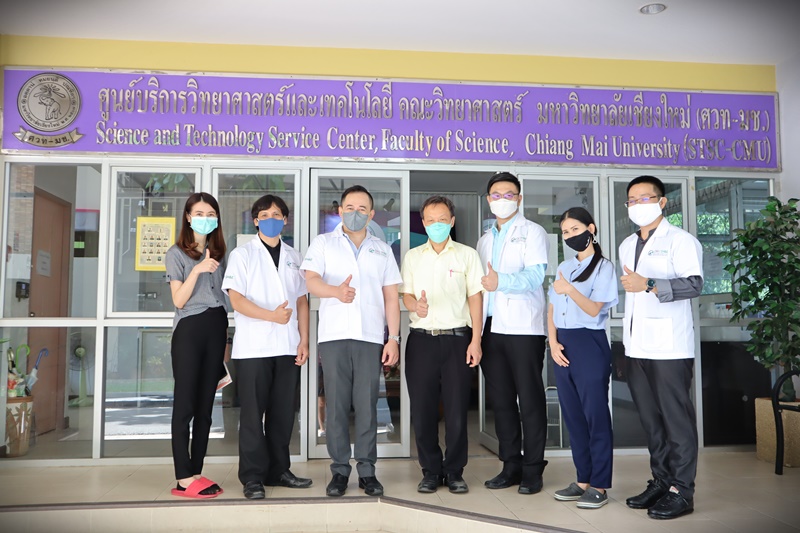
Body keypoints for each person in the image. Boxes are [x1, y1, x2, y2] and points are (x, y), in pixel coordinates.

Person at [301, 185, 401, 498]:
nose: (355, 213)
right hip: (333, 336)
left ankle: (368, 471)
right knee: (337, 405)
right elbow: (311, 280)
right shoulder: (323, 243)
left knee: (367, 405)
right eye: (349, 207)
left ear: (371, 215)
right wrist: (335, 292)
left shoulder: (382, 249)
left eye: (361, 209)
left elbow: (391, 296)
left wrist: (393, 338)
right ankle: (340, 471)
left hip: (370, 337)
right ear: (340, 210)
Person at [619, 175, 703, 520]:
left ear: (662, 202)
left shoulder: (680, 240)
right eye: (632, 200)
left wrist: (650, 283)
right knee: (651, 422)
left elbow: (694, 285)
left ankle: (682, 491)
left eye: (644, 198)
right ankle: (661, 481)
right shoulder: (627, 245)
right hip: (637, 346)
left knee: (676, 422)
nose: (637, 205)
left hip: (670, 347)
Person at [222, 194, 311, 500]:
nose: (271, 219)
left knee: (282, 414)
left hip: (287, 346)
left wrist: (304, 339)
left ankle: (278, 471)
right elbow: (236, 299)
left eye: (276, 215)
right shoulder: (242, 255)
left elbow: (302, 300)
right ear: (255, 221)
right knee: (252, 416)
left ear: (285, 220)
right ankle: (252, 477)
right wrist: (270, 316)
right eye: (264, 215)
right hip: (254, 349)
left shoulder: (294, 256)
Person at [401, 195, 483, 494]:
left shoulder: (467, 255)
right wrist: (416, 306)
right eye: (431, 220)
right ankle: (431, 471)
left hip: (457, 340)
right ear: (423, 223)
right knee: (423, 410)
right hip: (421, 341)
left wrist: (476, 340)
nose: (437, 224)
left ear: (452, 221)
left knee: (457, 409)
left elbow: (475, 298)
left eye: (442, 220)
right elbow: (406, 295)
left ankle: (455, 471)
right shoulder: (413, 257)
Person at [475, 172, 550, 495]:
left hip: (523, 328)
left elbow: (535, 276)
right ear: (488, 200)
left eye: (509, 194)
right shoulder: (484, 240)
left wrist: (501, 282)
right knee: (502, 401)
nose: (502, 199)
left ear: (519, 198)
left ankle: (533, 469)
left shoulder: (533, 232)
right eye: (496, 194)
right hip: (491, 329)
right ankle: (510, 465)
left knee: (530, 399)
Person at [547, 207, 618, 509]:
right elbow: (552, 308)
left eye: (575, 229)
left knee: (595, 415)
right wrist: (552, 343)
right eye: (565, 232)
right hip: (562, 344)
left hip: (589, 342)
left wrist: (570, 289)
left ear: (591, 229)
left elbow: (593, 310)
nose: (570, 236)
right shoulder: (564, 266)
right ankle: (583, 480)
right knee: (573, 416)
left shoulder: (604, 268)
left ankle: (599, 484)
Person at [165, 192, 228, 499]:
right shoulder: (176, 253)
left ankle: (196, 472)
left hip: (217, 326)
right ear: (188, 217)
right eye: (200, 213)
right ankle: (182, 478)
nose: (206, 218)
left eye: (211, 213)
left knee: (205, 407)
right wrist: (198, 269)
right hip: (190, 329)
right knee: (185, 405)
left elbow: (227, 295)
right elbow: (178, 300)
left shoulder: (220, 253)